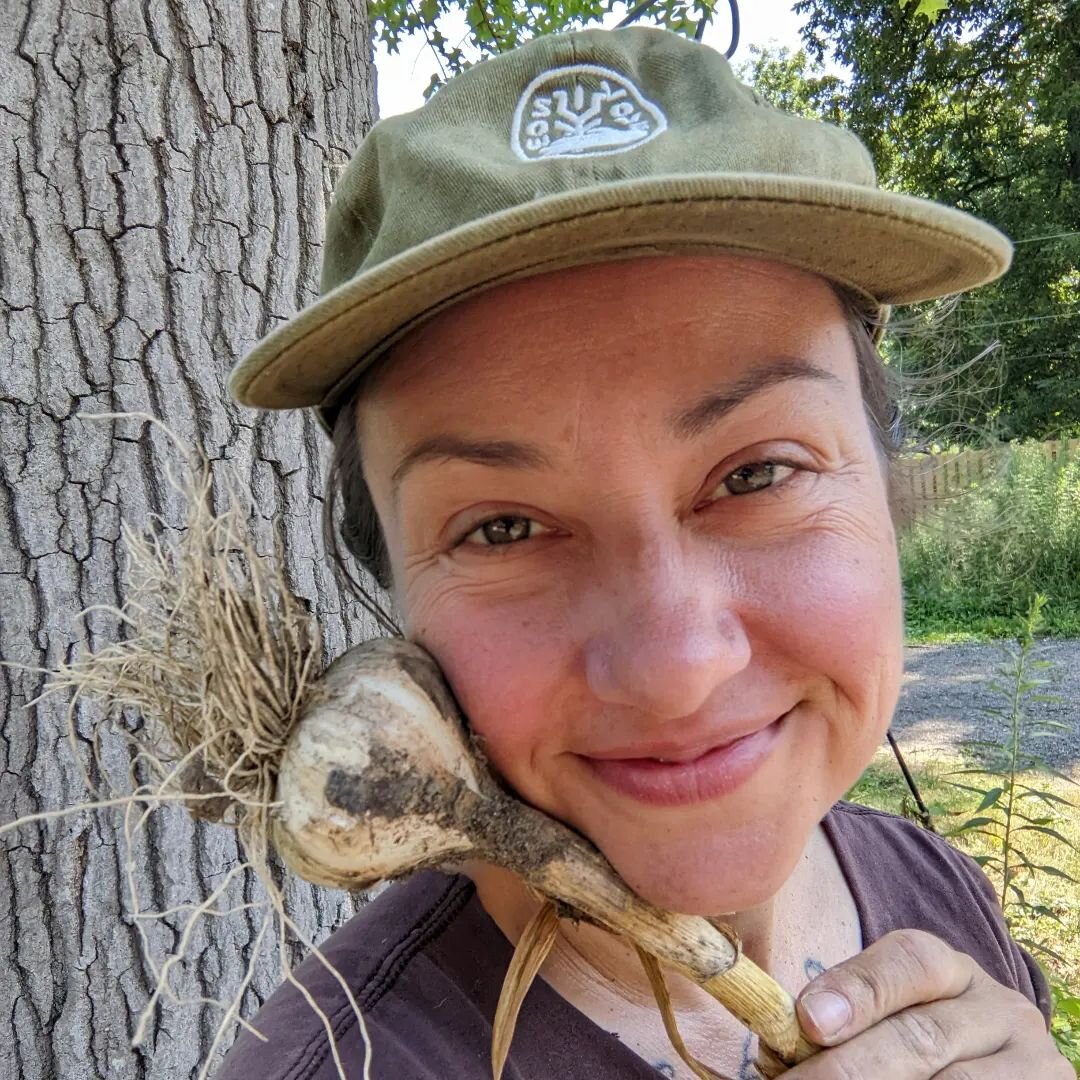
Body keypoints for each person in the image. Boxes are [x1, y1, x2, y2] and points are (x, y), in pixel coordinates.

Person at [219, 25, 1069, 1080]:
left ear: (887, 487)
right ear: (394, 599)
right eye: (503, 527)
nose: (677, 668)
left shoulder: (939, 897)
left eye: (758, 473)